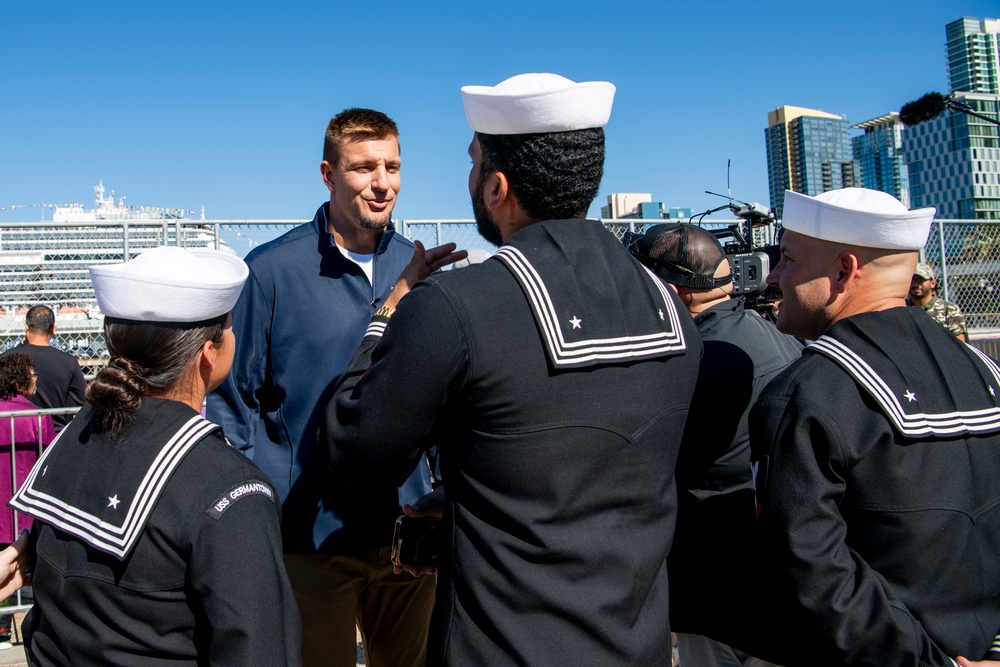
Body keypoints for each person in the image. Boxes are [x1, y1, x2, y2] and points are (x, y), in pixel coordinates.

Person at [322, 73, 702, 666]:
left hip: (503, 646)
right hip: (638, 644)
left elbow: (357, 449)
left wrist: (387, 313)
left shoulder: (458, 306)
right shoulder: (668, 305)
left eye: (474, 164)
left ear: (497, 188)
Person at [206, 108, 436, 667]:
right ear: (328, 174)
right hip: (306, 540)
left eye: (393, 166)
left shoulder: (420, 266)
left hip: (407, 534)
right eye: (363, 168)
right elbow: (232, 401)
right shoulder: (270, 272)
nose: (382, 183)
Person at [7, 246, 300, 666]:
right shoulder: (228, 486)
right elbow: (260, 649)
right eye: (229, 327)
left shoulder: (77, 434)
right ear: (208, 352)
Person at [749, 188, 1000, 667]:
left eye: (788, 259)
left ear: (843, 271)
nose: (775, 277)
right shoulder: (983, 370)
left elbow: (810, 573)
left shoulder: (810, 392)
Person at [629, 223, 800, 667]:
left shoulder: (697, 358)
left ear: (671, 292)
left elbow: (648, 468)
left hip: (718, 585)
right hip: (772, 580)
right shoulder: (770, 335)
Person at [0, 352, 55, 650]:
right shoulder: (36, 415)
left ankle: (1, 630)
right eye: (32, 375)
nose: (36, 379)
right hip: (24, 510)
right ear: (22, 379)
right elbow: (47, 460)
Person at [5, 305, 87, 432]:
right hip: (55, 435)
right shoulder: (68, 361)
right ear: (54, 329)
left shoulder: (7, 359)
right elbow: (82, 399)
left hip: (15, 432)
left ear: (26, 327)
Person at [908, 262, 968, 341]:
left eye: (920, 280)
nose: (915, 284)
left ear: (932, 283)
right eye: (912, 280)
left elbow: (960, 344)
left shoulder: (948, 309)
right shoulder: (904, 309)